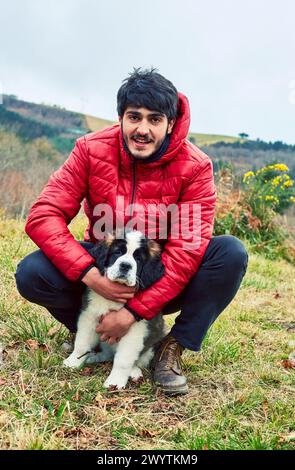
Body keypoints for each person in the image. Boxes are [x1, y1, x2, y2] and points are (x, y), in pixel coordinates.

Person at [15, 68, 248, 395]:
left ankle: (171, 348)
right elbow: (43, 215)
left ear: (170, 123)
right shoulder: (89, 149)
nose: (142, 129)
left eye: (154, 119)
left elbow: (187, 253)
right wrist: (90, 274)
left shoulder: (196, 166)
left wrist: (134, 311)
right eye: (134, 117)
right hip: (104, 273)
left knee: (230, 253)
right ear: (120, 118)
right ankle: (96, 333)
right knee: (32, 272)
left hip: (160, 278)